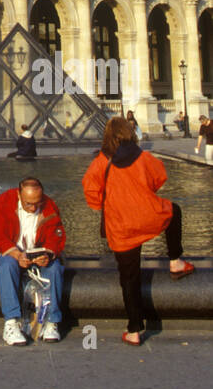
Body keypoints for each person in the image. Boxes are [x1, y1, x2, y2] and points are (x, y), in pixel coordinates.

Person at [82, 116, 194, 345]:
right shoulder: (143, 156)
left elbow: (91, 193)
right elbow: (159, 177)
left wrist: (105, 203)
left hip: (120, 226)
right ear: (129, 132)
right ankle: (175, 261)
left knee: (129, 278)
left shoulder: (101, 161)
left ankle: (134, 330)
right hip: (147, 215)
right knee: (174, 211)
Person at [0, 177, 66, 345]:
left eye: (37, 203)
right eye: (28, 203)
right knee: (7, 265)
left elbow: (57, 236)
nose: (32, 208)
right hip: (10, 251)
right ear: (19, 194)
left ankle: (52, 322)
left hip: (38, 253)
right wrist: (16, 254)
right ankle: (11, 322)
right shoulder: (3, 202)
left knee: (55, 268)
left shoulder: (50, 206)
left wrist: (49, 254)